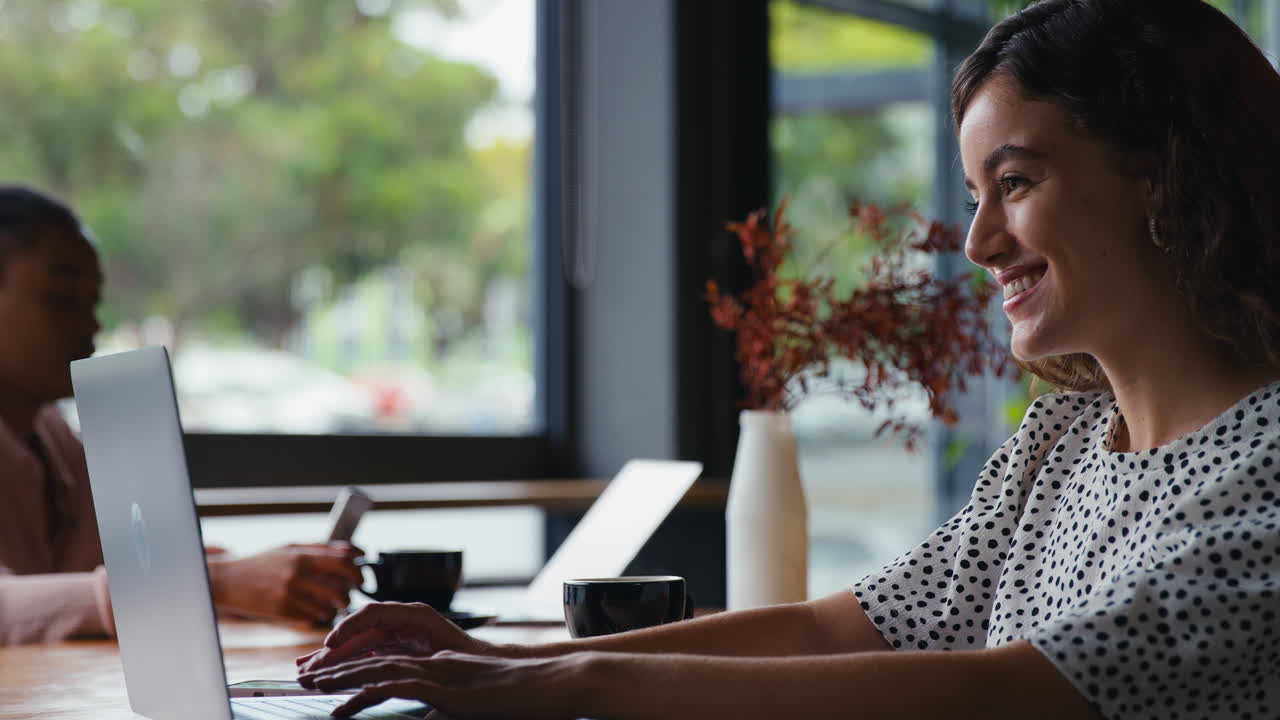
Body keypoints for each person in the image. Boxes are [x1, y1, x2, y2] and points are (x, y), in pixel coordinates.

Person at [295, 1, 1280, 717]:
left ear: (1158, 172)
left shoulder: (1267, 466)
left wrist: (567, 679)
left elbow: (1006, 691)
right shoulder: (1062, 438)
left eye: (1013, 182)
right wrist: (508, 658)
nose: (977, 243)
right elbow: (837, 629)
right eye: (975, 194)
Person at [0, 185, 364, 645]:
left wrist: (257, 584)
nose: (91, 326)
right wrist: (214, 584)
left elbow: (127, 568)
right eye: (62, 299)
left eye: (93, 303)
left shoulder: (52, 435)